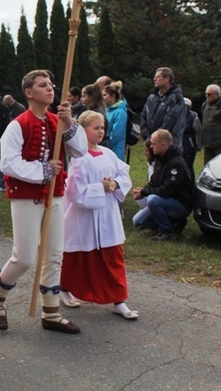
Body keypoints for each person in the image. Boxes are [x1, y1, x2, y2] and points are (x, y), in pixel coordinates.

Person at [0, 70, 87, 334]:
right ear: (29, 93)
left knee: (54, 253)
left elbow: (80, 150)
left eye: (51, 85)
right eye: (43, 85)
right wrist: (43, 170)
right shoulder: (17, 124)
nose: (50, 89)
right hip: (25, 195)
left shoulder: (58, 121)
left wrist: (70, 123)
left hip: (54, 194)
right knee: (25, 257)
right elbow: (8, 163)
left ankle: (51, 311)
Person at [60, 111, 138, 320]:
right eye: (96, 128)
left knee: (113, 256)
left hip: (108, 214)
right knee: (76, 256)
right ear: (83, 131)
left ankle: (118, 299)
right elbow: (73, 191)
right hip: (85, 217)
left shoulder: (108, 153)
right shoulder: (79, 158)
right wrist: (99, 188)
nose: (101, 131)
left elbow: (123, 173)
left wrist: (116, 184)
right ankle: (64, 287)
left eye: (102, 127)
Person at [132, 129, 193, 240]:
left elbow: (166, 191)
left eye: (153, 144)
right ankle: (173, 222)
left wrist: (145, 192)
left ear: (163, 145)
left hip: (179, 203)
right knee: (138, 222)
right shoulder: (160, 159)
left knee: (152, 199)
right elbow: (154, 182)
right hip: (164, 200)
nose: (151, 147)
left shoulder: (176, 164)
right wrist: (143, 190)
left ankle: (167, 231)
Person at [140, 67, 186, 149]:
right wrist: (146, 135)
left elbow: (171, 120)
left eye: (158, 77)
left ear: (167, 79)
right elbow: (143, 115)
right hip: (152, 144)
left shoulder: (176, 99)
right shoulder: (152, 98)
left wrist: (156, 136)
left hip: (169, 144)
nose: (154, 79)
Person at [103, 81, 128, 160]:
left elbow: (117, 134)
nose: (102, 98)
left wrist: (104, 145)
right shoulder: (107, 110)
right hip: (106, 150)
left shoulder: (120, 112)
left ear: (113, 96)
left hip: (114, 152)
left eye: (104, 95)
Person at [182, 98, 202, 178]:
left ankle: (191, 186)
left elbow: (199, 132)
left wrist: (199, 145)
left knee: (188, 167)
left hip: (189, 146)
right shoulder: (176, 116)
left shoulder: (193, 117)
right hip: (179, 145)